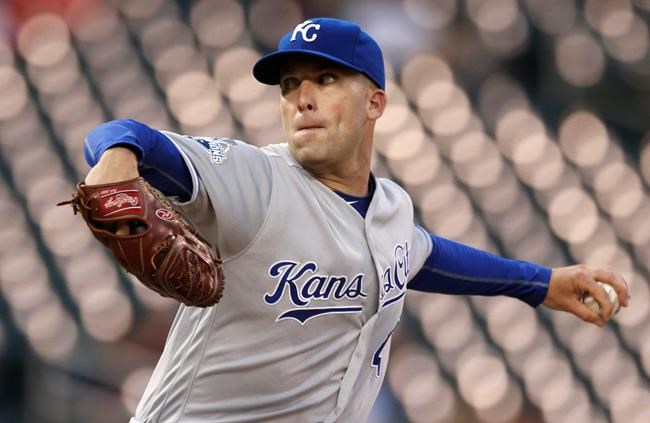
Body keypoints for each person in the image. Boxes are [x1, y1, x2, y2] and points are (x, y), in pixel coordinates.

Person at [81, 18, 629, 423]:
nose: (303, 98)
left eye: (325, 79)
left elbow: (426, 257)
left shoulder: (390, 209)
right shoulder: (254, 181)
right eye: (291, 84)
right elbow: (128, 133)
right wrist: (116, 157)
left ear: (374, 103)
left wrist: (542, 284)